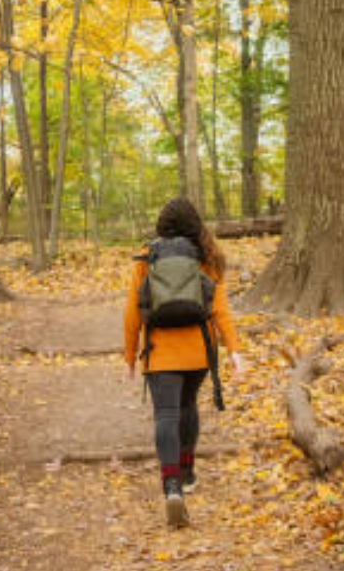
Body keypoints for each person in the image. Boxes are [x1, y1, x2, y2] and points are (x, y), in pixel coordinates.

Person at [123, 196, 245, 528]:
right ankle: (188, 472)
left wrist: (129, 355)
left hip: (159, 351)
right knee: (188, 405)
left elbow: (133, 312)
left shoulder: (147, 257)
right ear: (195, 224)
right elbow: (220, 308)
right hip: (198, 353)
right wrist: (233, 350)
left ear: (162, 225)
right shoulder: (206, 257)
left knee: (165, 414)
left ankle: (172, 485)